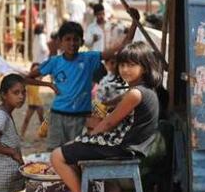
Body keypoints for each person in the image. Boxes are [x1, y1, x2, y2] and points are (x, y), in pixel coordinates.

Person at [50, 41, 162, 192]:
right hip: (130, 147)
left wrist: (91, 135)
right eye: (123, 64)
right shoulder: (145, 91)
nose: (125, 69)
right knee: (72, 154)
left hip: (121, 147)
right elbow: (114, 105)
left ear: (144, 67)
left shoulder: (135, 93)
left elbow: (109, 122)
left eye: (131, 65)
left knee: (57, 156)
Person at [28, 10, 138, 151]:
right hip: (57, 116)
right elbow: (27, 78)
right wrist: (48, 84)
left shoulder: (89, 58)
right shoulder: (54, 62)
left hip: (81, 118)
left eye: (75, 39)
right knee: (53, 153)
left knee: (76, 154)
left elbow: (123, 46)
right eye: (67, 39)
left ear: (82, 42)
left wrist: (134, 22)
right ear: (60, 42)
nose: (72, 43)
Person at [21, 63, 44, 138]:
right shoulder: (27, 79)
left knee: (42, 120)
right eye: (34, 68)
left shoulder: (38, 78)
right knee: (26, 119)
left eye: (37, 69)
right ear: (31, 69)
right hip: (31, 103)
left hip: (38, 103)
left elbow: (43, 72)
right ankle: (22, 135)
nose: (35, 70)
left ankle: (44, 135)